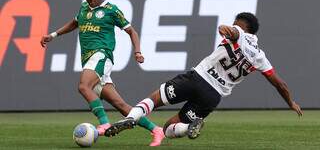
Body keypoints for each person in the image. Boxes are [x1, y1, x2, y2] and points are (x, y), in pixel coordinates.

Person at [105, 12, 303, 140]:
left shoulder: (239, 33)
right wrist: (291, 103)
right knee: (169, 128)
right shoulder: (260, 57)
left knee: (155, 99)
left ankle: (132, 118)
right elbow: (280, 84)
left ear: (242, 25)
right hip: (213, 96)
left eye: (236, 23)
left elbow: (231, 31)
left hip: (197, 78)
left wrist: (226, 29)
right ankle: (189, 125)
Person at [40, 0, 165, 146]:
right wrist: (53, 35)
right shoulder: (84, 8)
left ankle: (104, 123)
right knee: (121, 105)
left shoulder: (111, 10)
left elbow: (132, 32)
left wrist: (137, 52)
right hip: (88, 59)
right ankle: (157, 130)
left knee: (83, 86)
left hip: (101, 55)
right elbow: (74, 23)